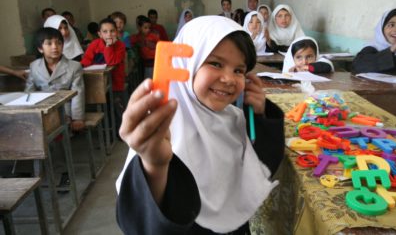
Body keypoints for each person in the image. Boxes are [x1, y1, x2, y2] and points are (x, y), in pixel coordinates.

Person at [116, 16, 285, 234]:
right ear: (186, 63)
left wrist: (261, 115)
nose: (229, 79)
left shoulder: (235, 119)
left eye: (239, 70)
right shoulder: (160, 129)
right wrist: (155, 165)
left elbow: (262, 167)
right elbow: (143, 225)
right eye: (215, 63)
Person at [26, 27, 85, 188]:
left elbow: (78, 93)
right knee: (25, 128)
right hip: (41, 108)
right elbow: (29, 91)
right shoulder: (34, 66)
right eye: (49, 43)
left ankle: (62, 170)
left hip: (63, 109)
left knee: (53, 132)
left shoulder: (74, 66)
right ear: (40, 48)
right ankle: (33, 170)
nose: (55, 47)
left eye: (58, 43)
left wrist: (78, 117)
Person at [81, 18, 126, 128]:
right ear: (99, 34)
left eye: (112, 31)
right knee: (105, 109)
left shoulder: (120, 46)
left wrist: (108, 46)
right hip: (98, 84)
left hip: (115, 84)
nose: (109, 34)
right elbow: (86, 61)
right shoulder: (94, 44)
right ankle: (108, 130)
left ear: (116, 32)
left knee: (118, 109)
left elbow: (111, 61)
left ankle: (121, 132)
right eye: (105, 32)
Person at [352, 7, 396, 74]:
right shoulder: (372, 48)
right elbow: (358, 66)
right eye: (391, 25)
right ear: (381, 29)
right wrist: (391, 50)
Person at [130, 15, 160, 80]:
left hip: (153, 60)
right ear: (140, 28)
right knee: (146, 78)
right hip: (144, 62)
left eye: (149, 28)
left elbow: (160, 45)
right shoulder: (137, 37)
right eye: (145, 28)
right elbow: (131, 43)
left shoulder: (153, 36)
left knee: (151, 78)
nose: (148, 30)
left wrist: (154, 46)